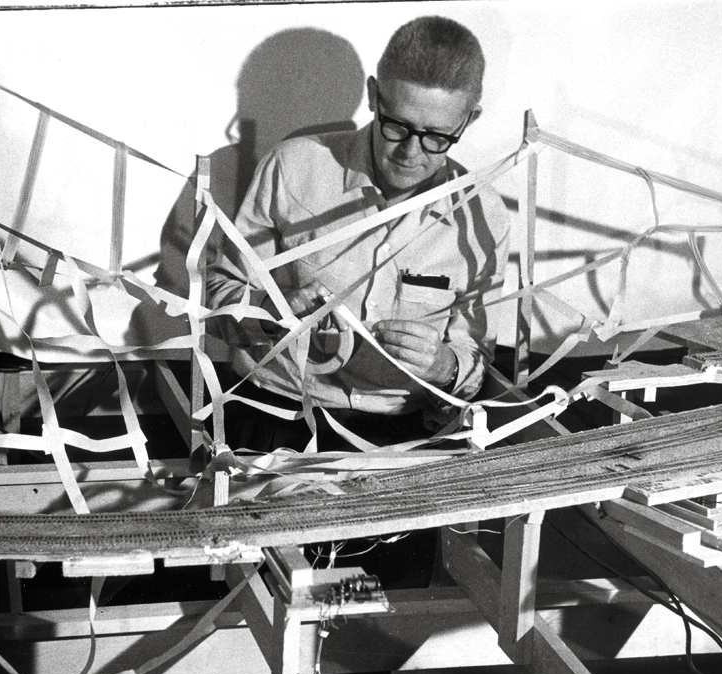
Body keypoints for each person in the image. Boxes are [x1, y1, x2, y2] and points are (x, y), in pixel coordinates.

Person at [205, 15, 511, 455]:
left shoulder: (483, 216)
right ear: (373, 96)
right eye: (397, 126)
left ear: (468, 121)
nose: (410, 152)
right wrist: (269, 313)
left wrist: (444, 366)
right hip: (275, 417)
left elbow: (474, 357)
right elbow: (215, 295)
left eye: (437, 137)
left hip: (403, 435)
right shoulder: (293, 166)